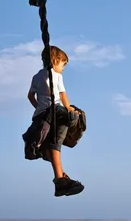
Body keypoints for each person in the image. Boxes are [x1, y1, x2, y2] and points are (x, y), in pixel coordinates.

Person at [27, 45, 84, 197]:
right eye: (63, 64)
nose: (63, 68)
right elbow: (63, 96)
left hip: (41, 115)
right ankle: (60, 178)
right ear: (55, 60)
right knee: (75, 117)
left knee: (52, 144)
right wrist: (70, 109)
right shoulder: (56, 76)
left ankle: (61, 178)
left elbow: (30, 96)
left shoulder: (36, 76)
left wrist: (39, 108)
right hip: (55, 111)